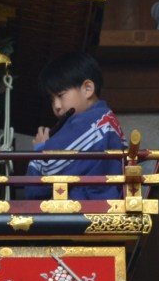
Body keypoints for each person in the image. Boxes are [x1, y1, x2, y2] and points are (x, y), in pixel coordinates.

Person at [25, 52, 125, 201]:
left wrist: (40, 150)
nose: (56, 106)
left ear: (87, 89)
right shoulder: (106, 118)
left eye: (61, 95)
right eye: (52, 100)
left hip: (83, 206)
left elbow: (41, 183)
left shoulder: (89, 121)